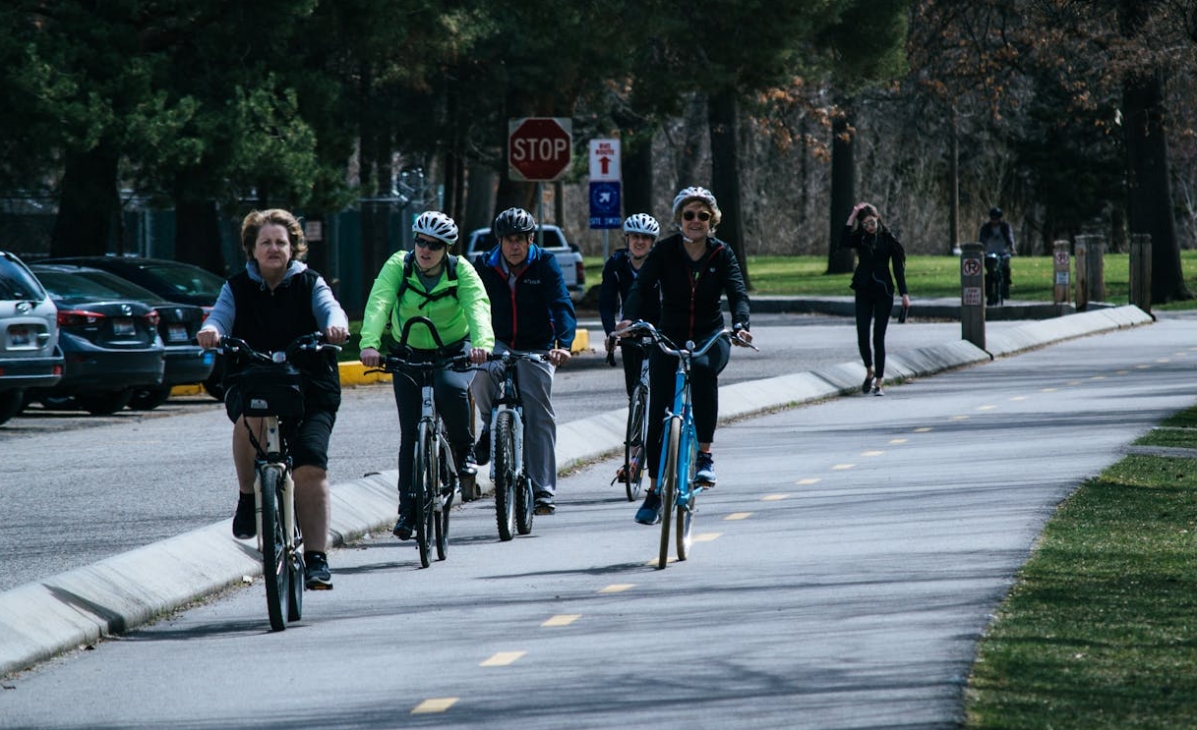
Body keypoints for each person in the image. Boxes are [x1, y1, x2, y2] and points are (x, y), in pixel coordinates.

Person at [197, 209, 350, 590]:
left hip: (310, 387)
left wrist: (336, 327)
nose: (274, 248)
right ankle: (248, 496)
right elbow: (219, 316)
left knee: (309, 468)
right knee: (250, 417)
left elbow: (331, 309)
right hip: (253, 381)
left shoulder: (310, 282)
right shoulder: (236, 287)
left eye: (281, 242)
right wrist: (211, 331)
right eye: (265, 242)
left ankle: (316, 558)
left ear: (293, 247)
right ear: (252, 248)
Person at [617, 186, 752, 526]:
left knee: (705, 371)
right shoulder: (664, 252)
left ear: (712, 220)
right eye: (689, 215)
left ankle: (704, 457)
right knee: (660, 407)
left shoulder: (722, 254)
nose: (695, 221)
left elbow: (737, 291)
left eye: (702, 216)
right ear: (679, 219)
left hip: (710, 336)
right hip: (669, 335)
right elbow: (641, 286)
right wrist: (629, 319)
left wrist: (740, 324)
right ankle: (652, 492)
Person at [358, 211, 495, 540]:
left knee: (450, 389)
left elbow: (477, 305)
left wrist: (482, 344)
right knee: (409, 435)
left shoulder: (460, 270)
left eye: (434, 245)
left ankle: (464, 452)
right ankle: (407, 510)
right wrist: (369, 344)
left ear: (446, 248)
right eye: (420, 241)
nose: (425, 249)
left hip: (452, 350)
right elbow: (380, 301)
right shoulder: (399, 266)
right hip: (408, 352)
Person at [470, 207, 576, 515]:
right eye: (508, 240)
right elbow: (473, 306)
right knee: (483, 372)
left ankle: (542, 490)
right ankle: (491, 426)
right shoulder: (484, 265)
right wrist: (474, 343)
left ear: (531, 239)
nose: (514, 246)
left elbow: (561, 304)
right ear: (499, 241)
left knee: (539, 413)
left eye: (521, 239)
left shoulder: (545, 263)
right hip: (497, 340)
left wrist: (564, 345)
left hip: (537, 345)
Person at [841, 202, 909, 397]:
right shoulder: (860, 239)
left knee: (878, 337)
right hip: (863, 289)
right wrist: (853, 215)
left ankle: (879, 381)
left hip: (883, 292)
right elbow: (844, 240)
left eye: (871, 223)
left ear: (878, 219)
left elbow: (898, 269)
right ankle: (869, 370)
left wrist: (904, 294)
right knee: (862, 334)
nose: (869, 227)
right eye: (865, 225)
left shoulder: (888, 240)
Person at [599, 213, 661, 396]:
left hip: (659, 326)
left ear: (652, 242)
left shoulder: (661, 264)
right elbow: (606, 303)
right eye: (635, 236)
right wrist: (611, 331)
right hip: (627, 328)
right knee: (633, 390)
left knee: (660, 387)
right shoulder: (616, 264)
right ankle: (636, 415)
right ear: (627, 238)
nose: (640, 242)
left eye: (645, 238)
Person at [979, 206, 1015, 304]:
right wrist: (983, 250)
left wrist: (1012, 249)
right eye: (992, 218)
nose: (994, 221)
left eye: (996, 218)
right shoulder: (986, 228)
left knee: (1006, 268)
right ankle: (990, 294)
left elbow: (1010, 238)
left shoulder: (1005, 227)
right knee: (990, 273)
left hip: (1002, 251)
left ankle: (1006, 287)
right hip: (990, 253)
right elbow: (982, 240)